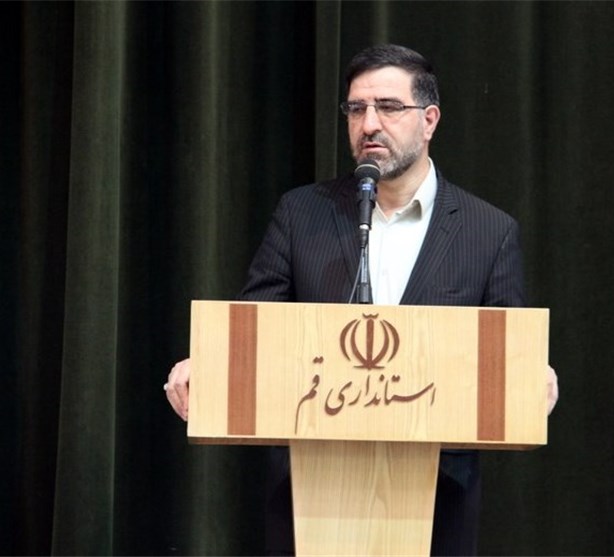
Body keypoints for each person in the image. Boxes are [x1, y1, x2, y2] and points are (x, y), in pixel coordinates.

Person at [165, 44, 559, 556]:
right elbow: (254, 330)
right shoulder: (302, 213)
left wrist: (529, 376)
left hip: (438, 497)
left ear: (429, 120)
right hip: (313, 493)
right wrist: (210, 366)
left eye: (388, 107)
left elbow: (506, 354)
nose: (369, 124)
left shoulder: (488, 231)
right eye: (356, 109)